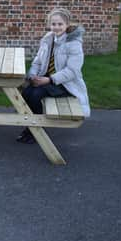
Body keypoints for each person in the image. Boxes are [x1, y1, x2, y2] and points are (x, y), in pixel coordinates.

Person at [17, 8, 91, 144]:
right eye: (53, 24)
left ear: (67, 25)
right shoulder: (47, 39)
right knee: (26, 93)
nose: (56, 27)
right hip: (45, 79)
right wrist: (32, 75)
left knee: (35, 95)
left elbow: (72, 71)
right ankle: (32, 128)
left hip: (63, 84)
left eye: (60, 24)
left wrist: (49, 79)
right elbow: (38, 61)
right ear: (49, 24)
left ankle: (36, 131)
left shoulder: (73, 43)